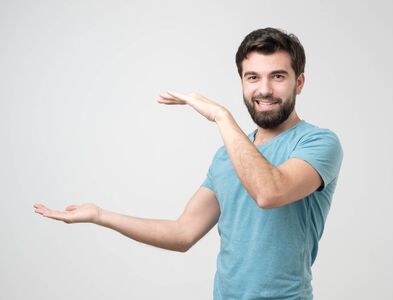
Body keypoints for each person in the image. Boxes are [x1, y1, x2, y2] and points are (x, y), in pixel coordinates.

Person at [34, 27, 343, 299]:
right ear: (242, 82)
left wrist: (221, 116)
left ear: (299, 82)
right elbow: (183, 233)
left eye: (278, 76)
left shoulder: (318, 143)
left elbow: (269, 192)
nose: (264, 89)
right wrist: (100, 215)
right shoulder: (228, 155)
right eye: (253, 77)